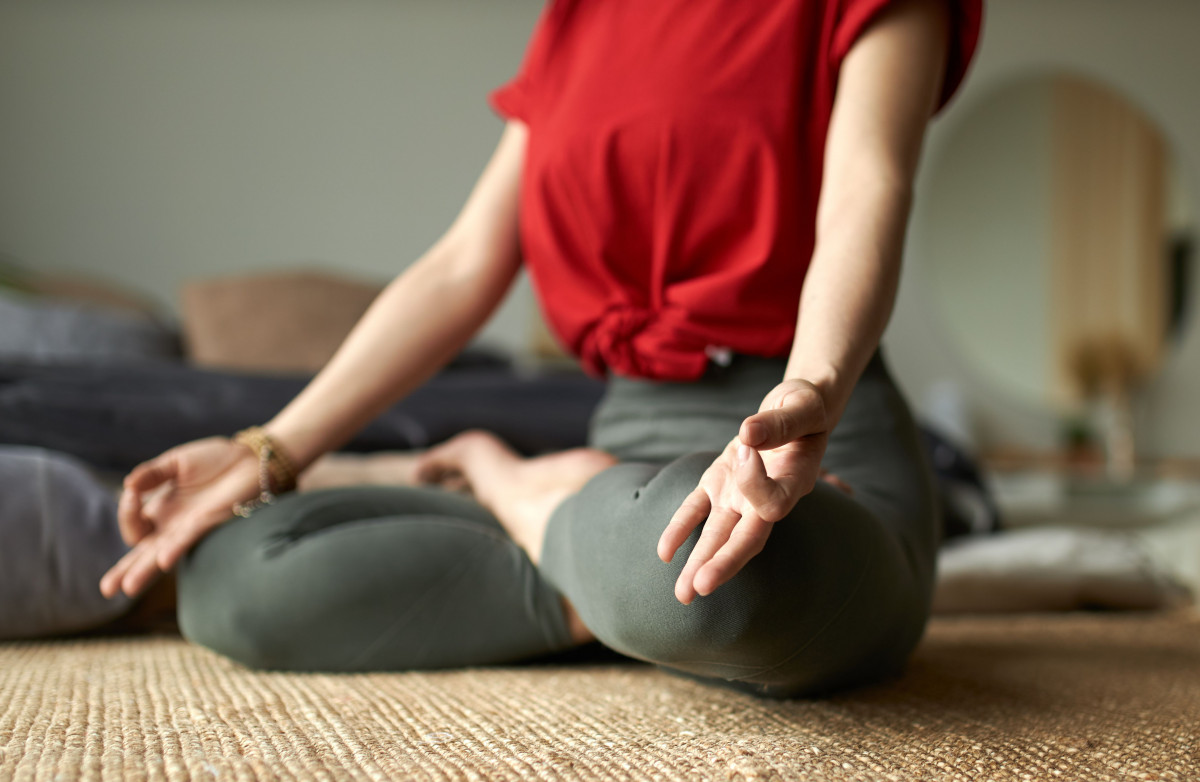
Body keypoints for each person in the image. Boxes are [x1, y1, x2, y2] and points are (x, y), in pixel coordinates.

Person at [101, 0, 983, 698]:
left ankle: (518, 489)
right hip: (618, 467)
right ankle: (596, 562)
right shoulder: (578, 20)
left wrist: (813, 387)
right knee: (232, 576)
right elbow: (458, 268)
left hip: (802, 446)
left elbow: (869, 186)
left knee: (731, 577)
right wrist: (268, 452)